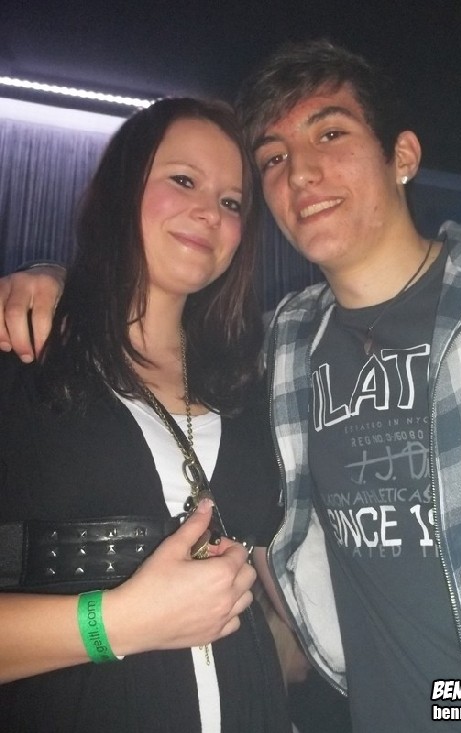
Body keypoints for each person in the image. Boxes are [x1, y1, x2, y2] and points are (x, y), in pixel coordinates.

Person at [2, 40, 461, 732]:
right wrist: (52, 281)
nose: (303, 172)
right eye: (273, 159)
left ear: (403, 156)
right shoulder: (282, 349)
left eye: (331, 134)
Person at [0, 97, 291, 733]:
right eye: (183, 180)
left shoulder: (250, 387)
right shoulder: (23, 354)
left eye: (231, 202)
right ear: (119, 190)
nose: (209, 212)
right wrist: (115, 624)